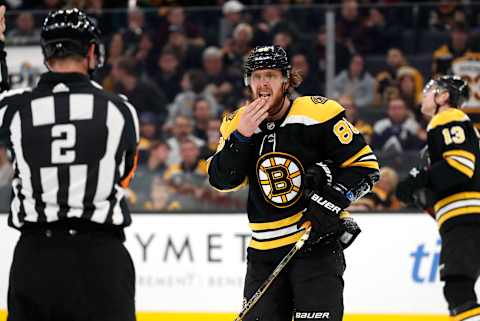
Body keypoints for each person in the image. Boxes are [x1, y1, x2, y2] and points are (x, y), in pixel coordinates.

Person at [208, 45, 379, 321]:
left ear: (286, 80)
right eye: (256, 76)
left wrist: (331, 201)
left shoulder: (318, 114)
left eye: (271, 76)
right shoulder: (237, 123)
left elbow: (366, 167)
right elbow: (221, 181)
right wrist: (241, 138)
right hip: (263, 254)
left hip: (315, 246)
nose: (263, 83)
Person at [0, 8, 138, 321]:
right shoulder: (120, 109)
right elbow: (125, 176)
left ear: (46, 55)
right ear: (91, 51)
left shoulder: (13, 107)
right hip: (101, 258)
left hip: (35, 257)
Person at [396, 75, 480, 321]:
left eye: (430, 90)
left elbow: (460, 165)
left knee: (458, 288)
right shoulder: (459, 129)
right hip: (466, 217)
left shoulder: (448, 117)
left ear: (444, 97)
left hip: (465, 217)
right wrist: (424, 195)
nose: (424, 94)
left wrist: (417, 179)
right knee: (461, 287)